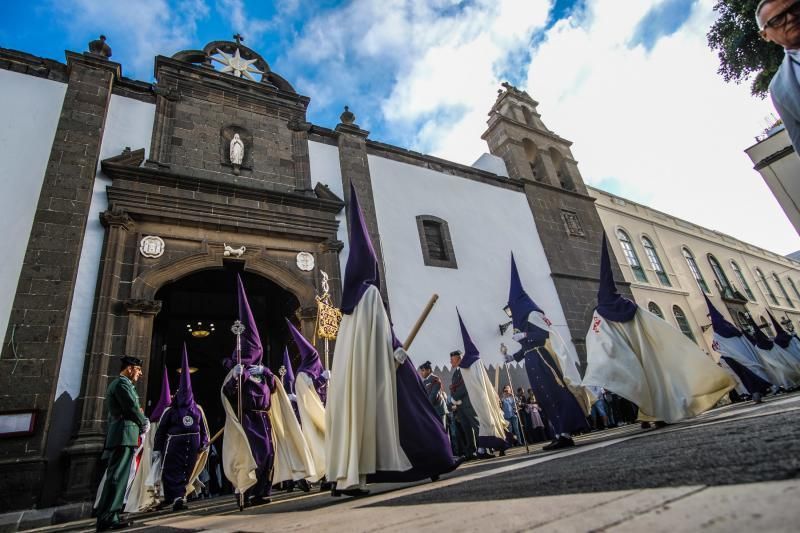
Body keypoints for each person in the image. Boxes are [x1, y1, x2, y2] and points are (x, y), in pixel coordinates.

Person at [583, 235, 735, 425]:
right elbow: (655, 325)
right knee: (657, 382)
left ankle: (650, 415)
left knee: (639, 384)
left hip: (628, 355)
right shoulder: (630, 306)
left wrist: (602, 360)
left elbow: (599, 340)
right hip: (646, 354)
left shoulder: (600, 314)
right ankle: (658, 414)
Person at [504, 253, 590, 450]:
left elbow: (543, 335)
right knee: (544, 397)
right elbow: (525, 346)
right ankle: (559, 432)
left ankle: (566, 432)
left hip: (543, 360)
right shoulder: (522, 321)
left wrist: (525, 336)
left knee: (554, 393)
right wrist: (512, 356)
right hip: (531, 360)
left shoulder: (533, 315)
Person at [152, 344, 210, 510]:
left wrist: (204, 441)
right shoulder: (170, 411)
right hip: (175, 446)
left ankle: (179, 495)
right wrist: (157, 449)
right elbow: (162, 430)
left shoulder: (197, 410)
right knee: (172, 471)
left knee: (187, 471)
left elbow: (203, 427)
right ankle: (176, 497)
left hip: (191, 446)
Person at [95, 356, 149, 531]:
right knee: (117, 476)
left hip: (126, 435)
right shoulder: (122, 384)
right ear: (131, 368)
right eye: (139, 370)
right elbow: (132, 407)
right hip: (123, 435)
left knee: (121, 476)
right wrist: (143, 422)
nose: (140, 374)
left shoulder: (125, 385)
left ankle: (112, 514)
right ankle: (108, 516)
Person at [454, 311, 510, 458]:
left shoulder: (470, 363)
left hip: (479, 397)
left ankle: (484, 449)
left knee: (487, 422)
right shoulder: (471, 364)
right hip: (479, 398)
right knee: (487, 422)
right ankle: (484, 449)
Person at [757, 0, 800, 153]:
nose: (790, 18)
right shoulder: (779, 89)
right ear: (765, 35)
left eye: (795, 8)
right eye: (777, 20)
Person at [449, 350, 479, 459]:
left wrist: (454, 398)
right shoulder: (456, 372)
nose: (450, 361)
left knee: (476, 426)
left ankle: (483, 448)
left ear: (459, 359)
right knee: (466, 429)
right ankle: (471, 451)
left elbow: (466, 386)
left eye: (452, 359)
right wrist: (454, 400)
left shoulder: (465, 369)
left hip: (468, 403)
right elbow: (453, 388)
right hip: (460, 406)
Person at [419, 361, 447, 428]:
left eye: (423, 370)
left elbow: (433, 395)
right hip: (431, 409)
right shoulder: (424, 381)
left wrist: (426, 407)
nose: (421, 373)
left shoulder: (435, 379)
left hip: (438, 409)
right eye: (421, 371)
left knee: (442, 430)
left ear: (428, 370)